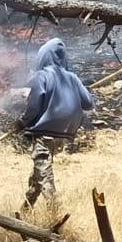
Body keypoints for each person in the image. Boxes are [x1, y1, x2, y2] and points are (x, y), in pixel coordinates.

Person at [18, 37, 94, 209]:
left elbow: (34, 105)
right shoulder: (73, 78)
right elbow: (88, 103)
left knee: (44, 173)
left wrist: (22, 122)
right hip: (64, 134)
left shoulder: (42, 76)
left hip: (45, 132)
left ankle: (55, 212)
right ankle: (25, 210)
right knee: (40, 170)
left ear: (43, 56)